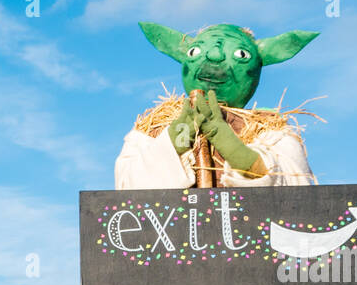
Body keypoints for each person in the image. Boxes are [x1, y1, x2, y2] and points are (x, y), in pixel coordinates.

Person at [116, 22, 319, 190]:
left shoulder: (272, 129)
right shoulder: (151, 128)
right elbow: (126, 188)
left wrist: (233, 147)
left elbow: (294, 185)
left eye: (240, 55)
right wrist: (175, 140)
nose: (214, 57)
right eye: (196, 52)